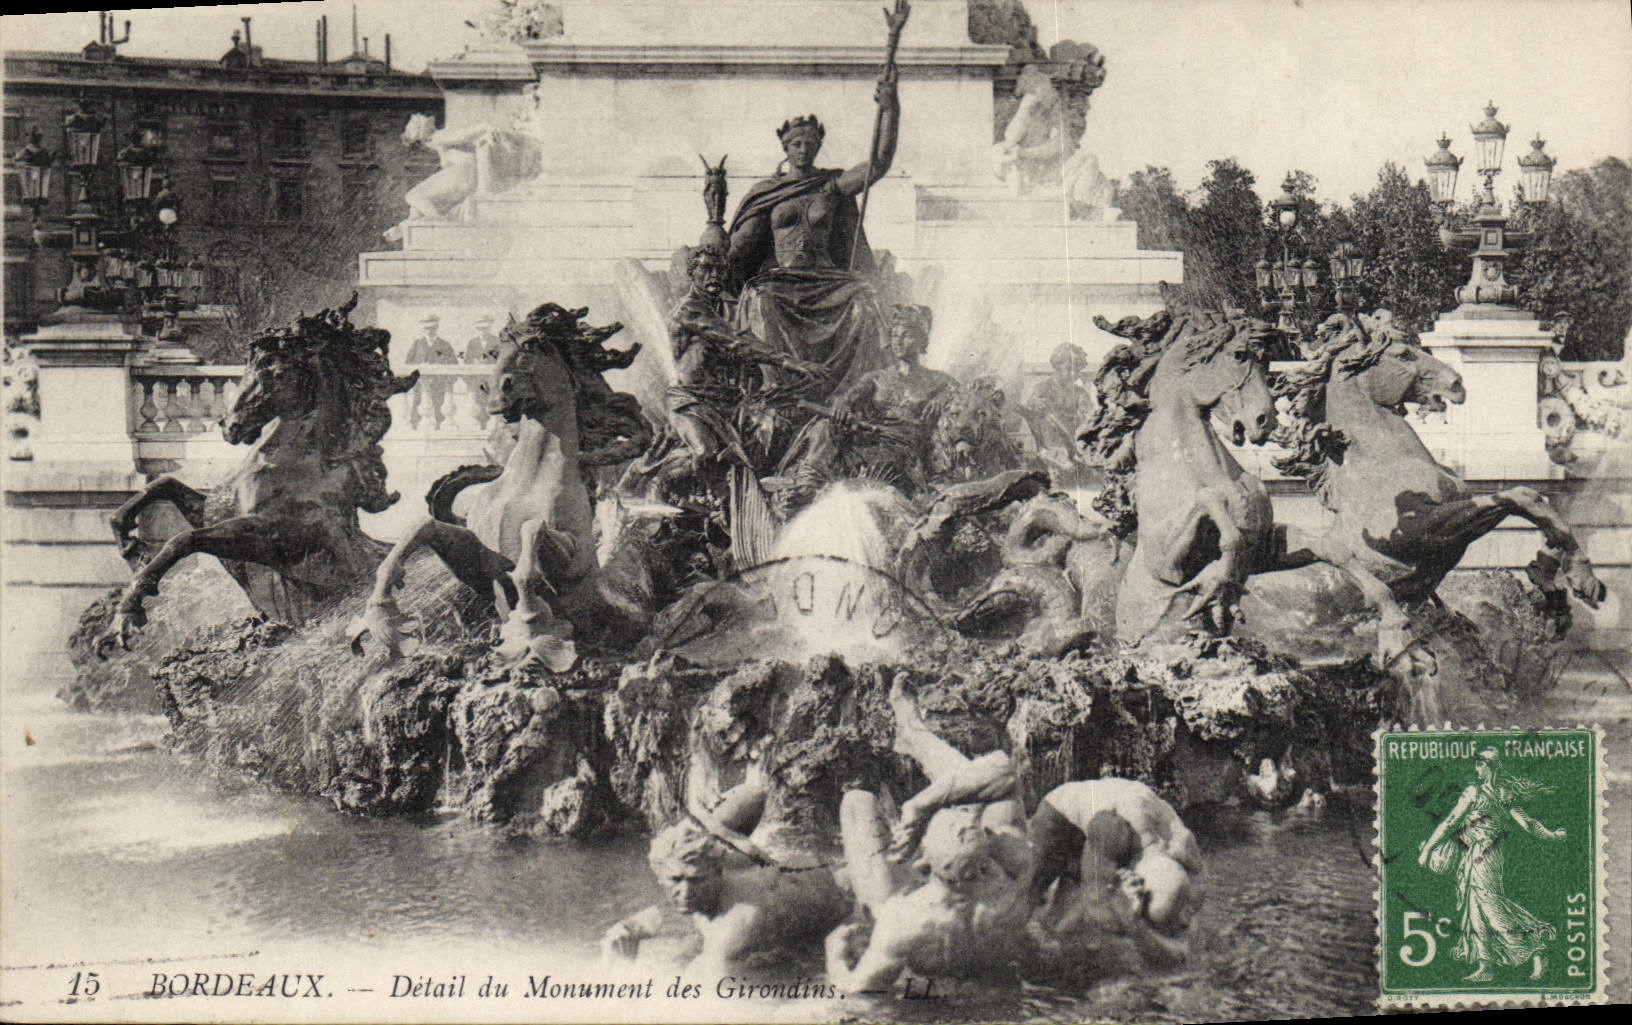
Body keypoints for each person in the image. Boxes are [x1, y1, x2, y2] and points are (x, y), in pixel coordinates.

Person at [724, 0, 911, 448]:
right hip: (781, 279)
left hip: (826, 278)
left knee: (864, 301)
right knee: (762, 301)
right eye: (795, 142)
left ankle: (855, 393)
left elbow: (881, 162)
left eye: (810, 142)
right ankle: (777, 392)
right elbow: (743, 247)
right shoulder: (767, 194)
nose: (803, 148)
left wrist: (892, 106)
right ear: (784, 147)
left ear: (818, 146)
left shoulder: (831, 187)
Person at [601, 779, 850, 978]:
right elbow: (753, 796)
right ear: (661, 875)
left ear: (717, 874)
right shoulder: (726, 856)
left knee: (691, 965)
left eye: (697, 880)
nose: (685, 892)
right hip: (805, 871)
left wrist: (623, 971)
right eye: (675, 880)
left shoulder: (733, 929)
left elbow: (705, 1011)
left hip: (835, 899)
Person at [774, 304, 953, 508]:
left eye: (906, 336)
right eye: (894, 335)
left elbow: (961, 399)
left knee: (878, 463)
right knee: (825, 426)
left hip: (903, 448)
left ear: (922, 340)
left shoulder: (940, 381)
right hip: (872, 438)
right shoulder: (877, 377)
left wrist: (942, 399)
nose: (898, 342)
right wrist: (842, 406)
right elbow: (848, 397)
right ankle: (807, 485)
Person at [1026, 777, 1204, 972]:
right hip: (1064, 809)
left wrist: (1136, 924)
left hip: (1124, 814)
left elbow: (1186, 952)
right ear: (1133, 875)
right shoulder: (1113, 831)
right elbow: (1095, 910)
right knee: (1035, 906)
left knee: (1081, 913)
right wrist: (1124, 910)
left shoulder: (1189, 863)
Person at [1418, 747, 1565, 982]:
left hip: (1489, 853)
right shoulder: (1473, 791)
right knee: (1475, 909)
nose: (1477, 768)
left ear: (1492, 766)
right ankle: (1485, 965)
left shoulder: (1500, 794)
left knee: (1491, 907)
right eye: (1476, 763)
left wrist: (1552, 835)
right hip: (1472, 853)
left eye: (1481, 763)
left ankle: (1536, 949)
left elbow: (1527, 823)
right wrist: (1428, 848)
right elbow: (1451, 822)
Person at [405, 314, 457, 428]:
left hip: (439, 383)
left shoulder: (444, 345)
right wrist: (419, 366)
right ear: (423, 329)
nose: (429, 331)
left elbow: (453, 363)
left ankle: (441, 430)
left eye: (432, 328)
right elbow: (408, 363)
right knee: (418, 408)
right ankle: (414, 429)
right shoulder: (417, 344)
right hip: (421, 384)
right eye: (426, 329)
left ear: (436, 328)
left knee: (441, 410)